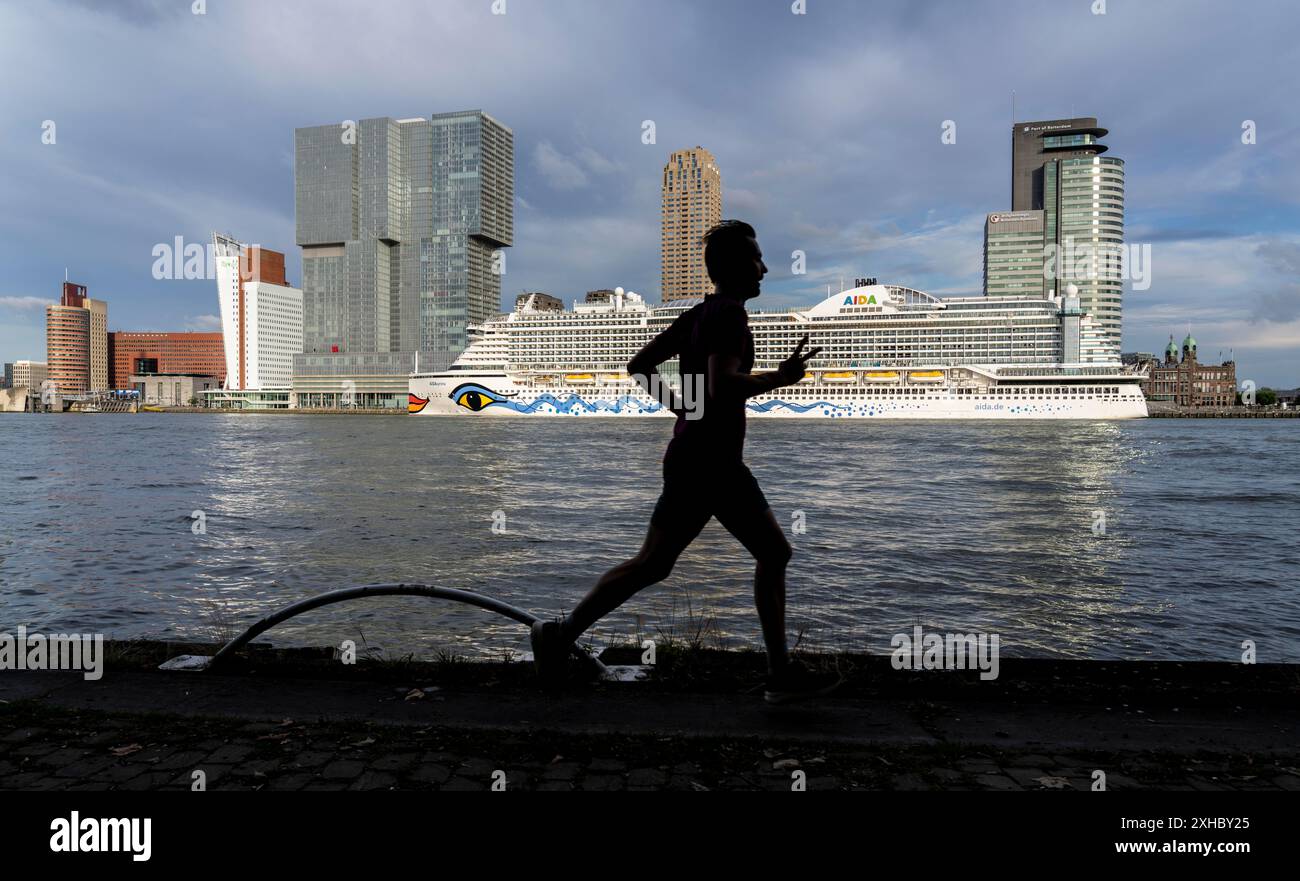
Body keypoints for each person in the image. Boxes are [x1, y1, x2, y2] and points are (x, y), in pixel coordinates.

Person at [531, 220, 843, 704]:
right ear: (737, 267)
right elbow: (724, 384)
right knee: (773, 553)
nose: (764, 266)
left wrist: (682, 407)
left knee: (653, 564)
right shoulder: (730, 317)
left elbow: (639, 366)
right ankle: (781, 675)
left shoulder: (699, 314)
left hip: (692, 456)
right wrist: (781, 378)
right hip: (713, 463)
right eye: (756, 258)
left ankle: (560, 636)